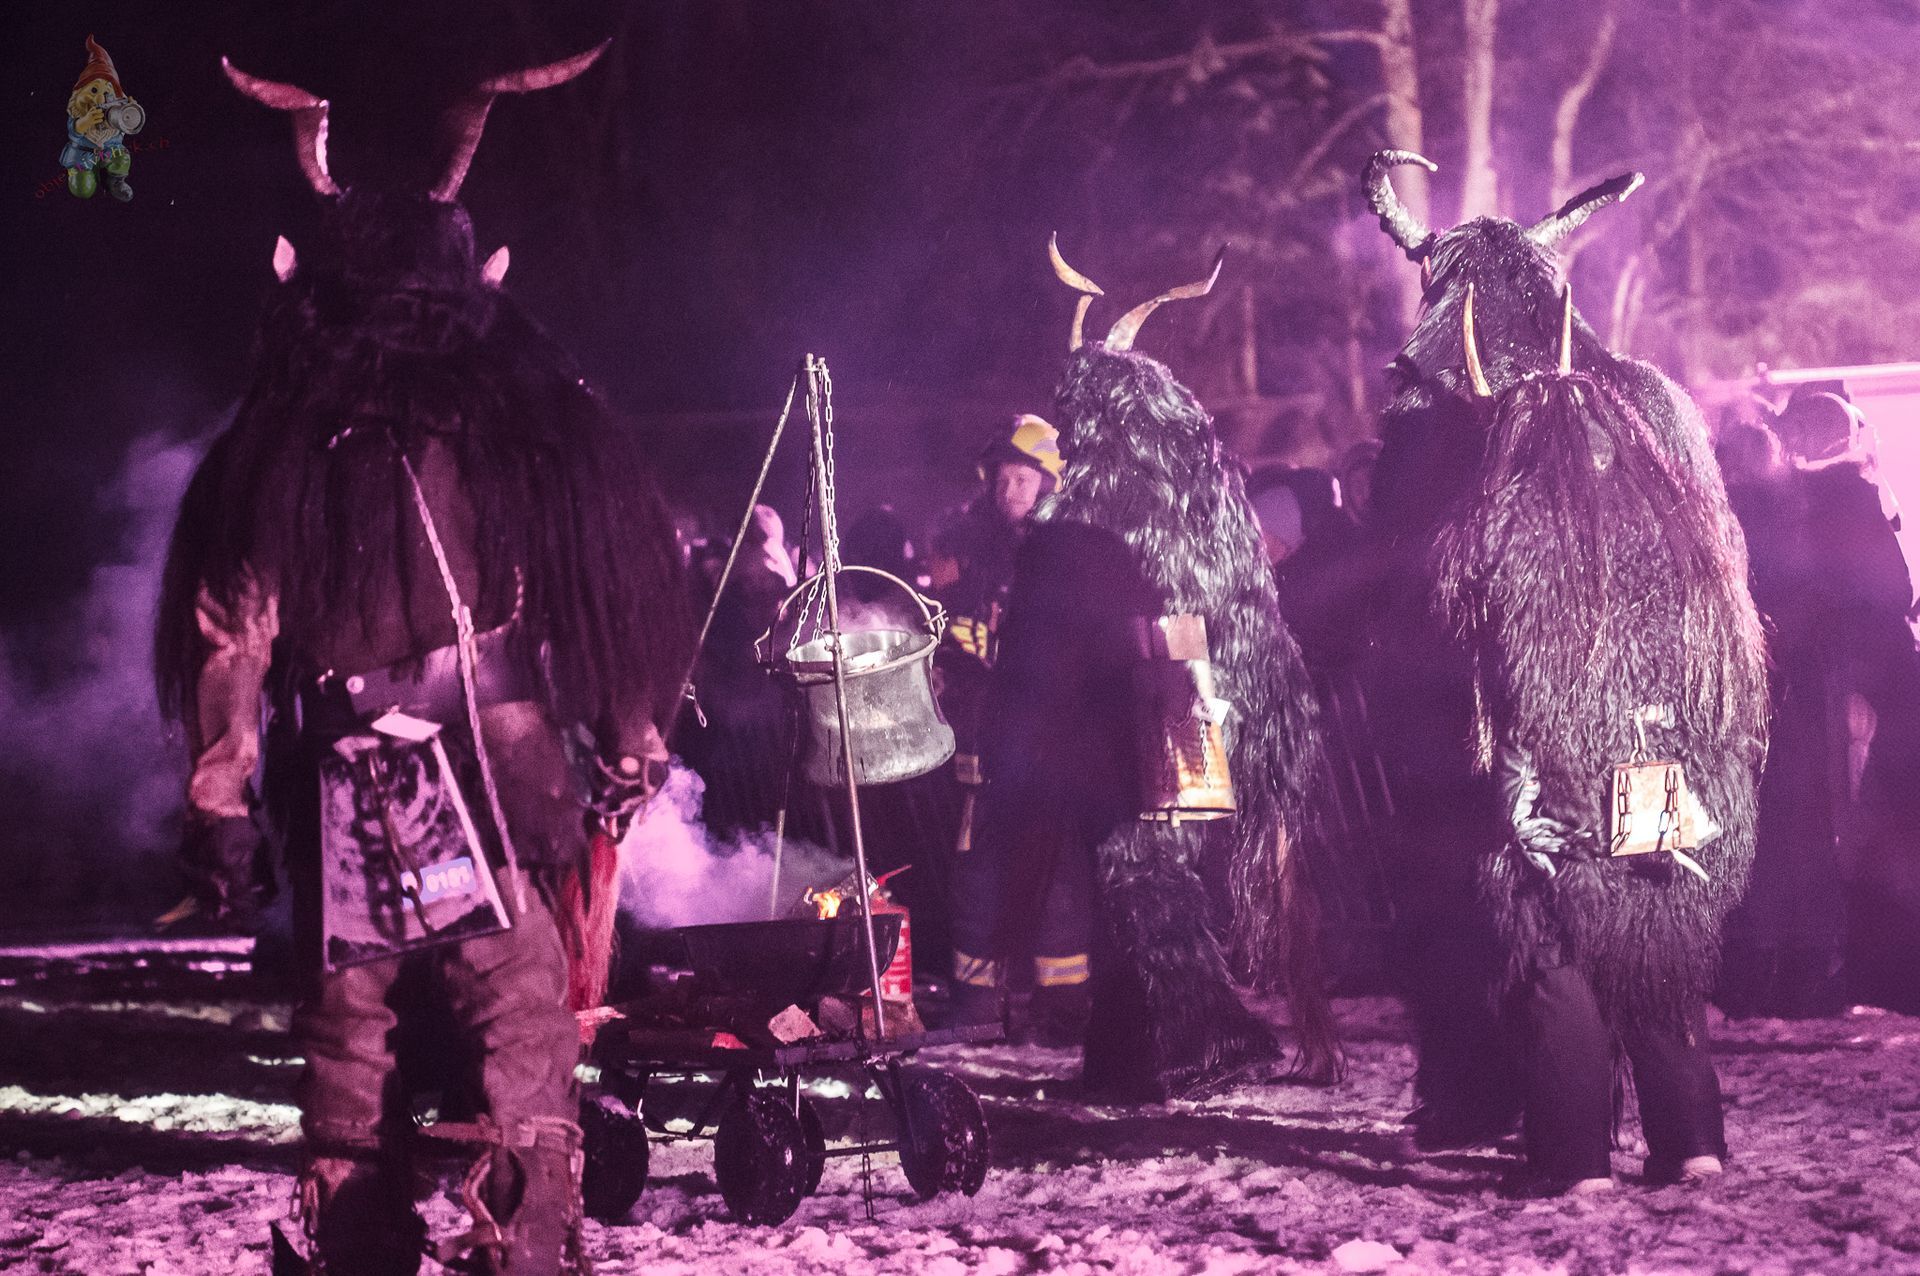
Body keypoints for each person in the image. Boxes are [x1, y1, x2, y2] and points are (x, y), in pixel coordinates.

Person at [156, 47, 687, 1274]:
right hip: (435, 776)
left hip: (422, 771)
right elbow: (242, 629)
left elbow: (599, 587)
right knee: (479, 1020)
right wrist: (632, 740)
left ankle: (466, 1238)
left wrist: (221, 795)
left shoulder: (364, 436)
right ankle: (464, 1240)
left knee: (416, 1026)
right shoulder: (472, 429)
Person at [1365, 151, 1767, 1191]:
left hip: (1552, 744)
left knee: (1554, 946)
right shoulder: (1654, 441)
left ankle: (1574, 1156)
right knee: (1656, 924)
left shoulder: (1493, 465)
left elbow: (1462, 614)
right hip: (1668, 735)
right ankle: (1692, 1142)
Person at [974, 243, 1341, 1099]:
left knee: (1138, 888)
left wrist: (1023, 736)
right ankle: (1127, 1063)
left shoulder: (1082, 523)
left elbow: (1048, 646)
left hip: (1126, 735)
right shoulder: (1195, 504)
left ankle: (1199, 1040)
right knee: (1139, 889)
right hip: (1189, 728)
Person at [934, 415, 1095, 1041]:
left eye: (1023, 480)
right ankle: (977, 1004)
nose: (1009, 492)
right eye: (1002, 480)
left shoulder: (1070, 552)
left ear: (1049, 483)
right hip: (985, 751)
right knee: (979, 876)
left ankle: (1063, 1006)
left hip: (1051, 750)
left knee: (1059, 876)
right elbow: (948, 634)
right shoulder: (973, 553)